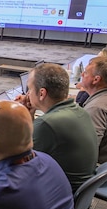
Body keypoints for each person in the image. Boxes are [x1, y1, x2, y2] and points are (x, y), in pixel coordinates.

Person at [17, 64, 98, 192]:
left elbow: (20, 164)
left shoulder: (47, 124)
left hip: (59, 194)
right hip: (79, 189)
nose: (27, 94)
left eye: (30, 89)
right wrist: (30, 114)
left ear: (42, 93)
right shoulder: (79, 111)